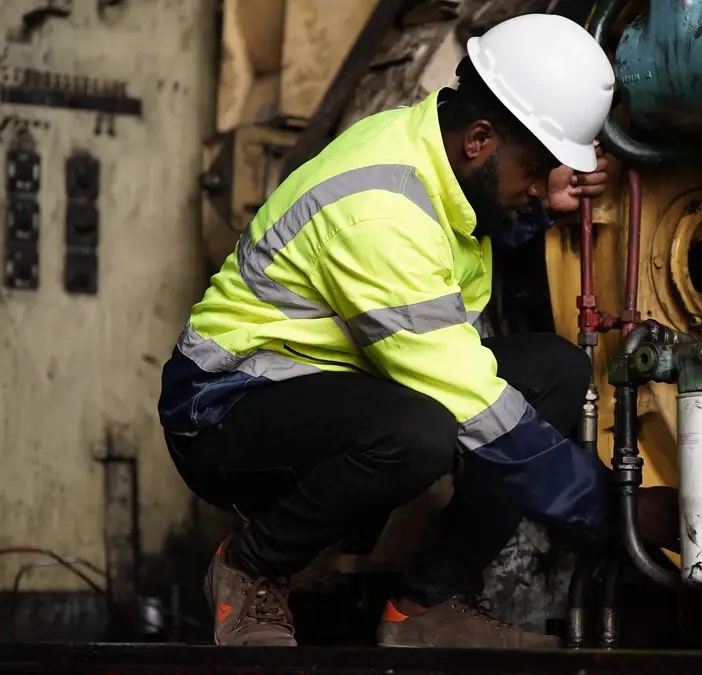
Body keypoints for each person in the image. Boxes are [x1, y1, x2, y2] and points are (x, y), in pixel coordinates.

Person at [158, 13, 632, 649]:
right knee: (422, 433)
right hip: (225, 405)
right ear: (481, 139)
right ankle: (250, 568)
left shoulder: (434, 147)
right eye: (538, 167)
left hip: (335, 380)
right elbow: (476, 408)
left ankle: (423, 609)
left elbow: (459, 235)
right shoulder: (378, 209)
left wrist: (542, 204)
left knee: (556, 371)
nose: (544, 183)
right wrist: (619, 511)